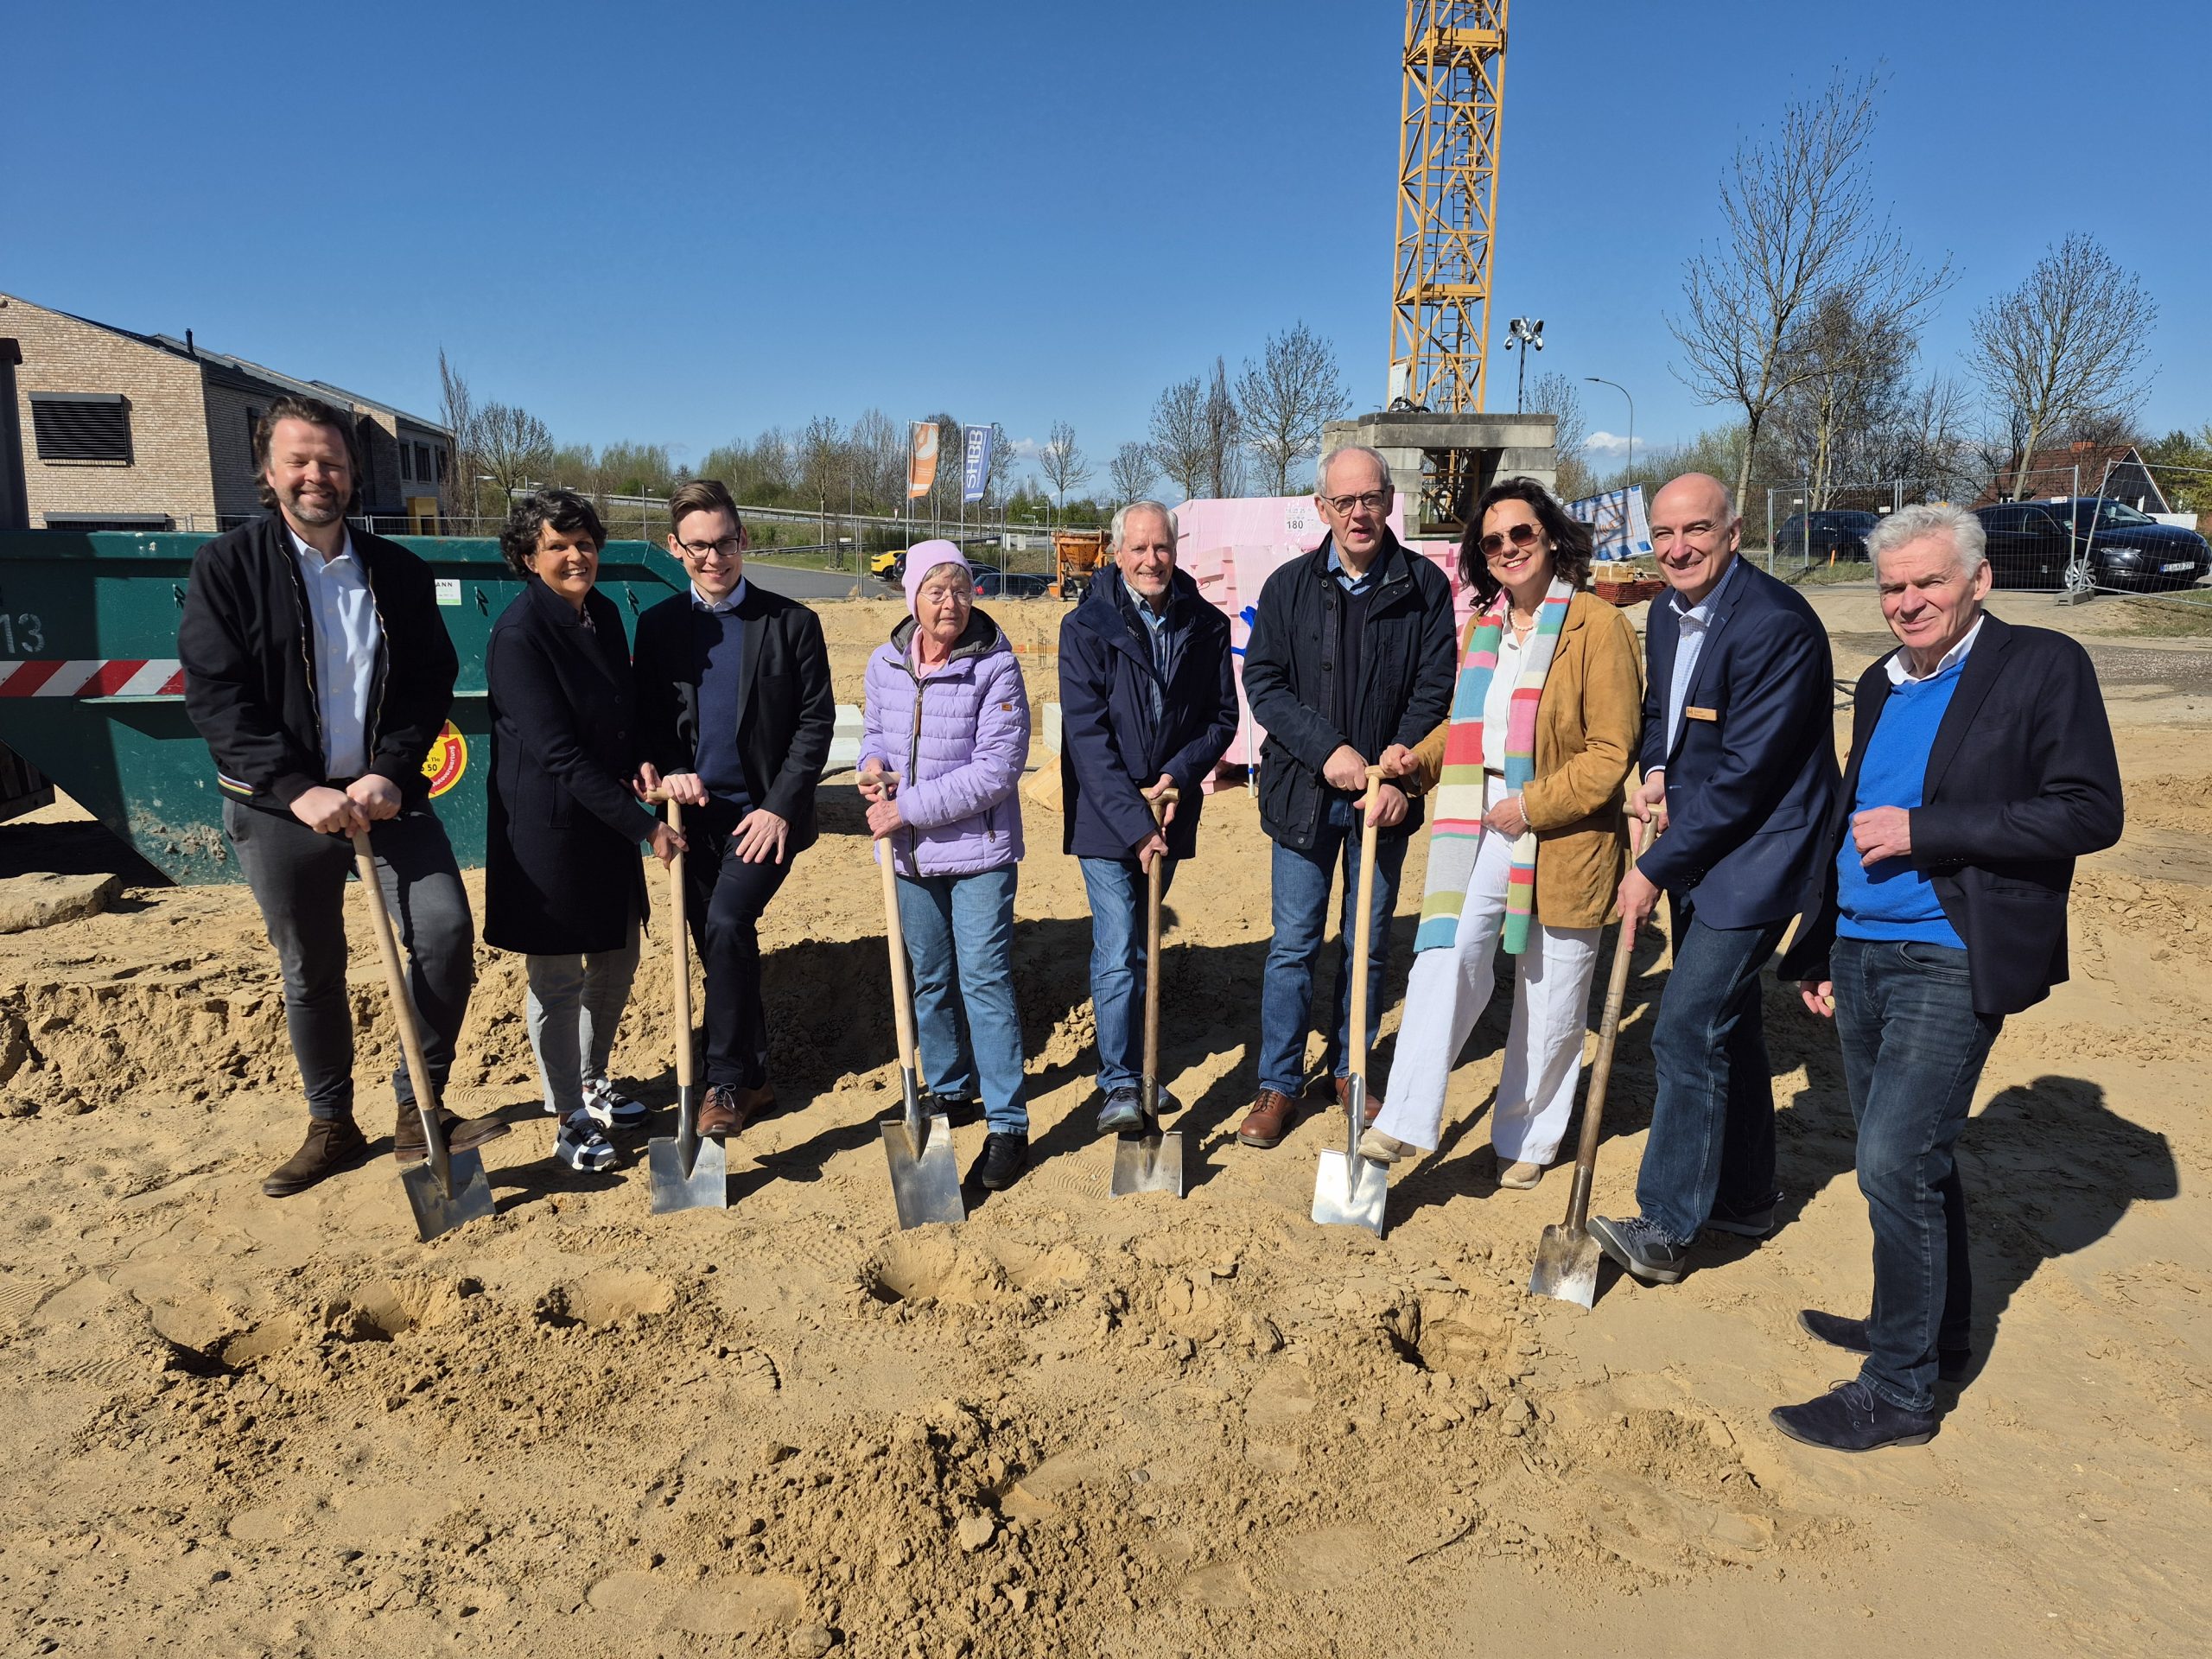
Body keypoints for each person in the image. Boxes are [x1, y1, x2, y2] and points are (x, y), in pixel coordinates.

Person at [1771, 504, 2121, 1451]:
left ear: (1978, 581)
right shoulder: (1882, 684)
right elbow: (1853, 812)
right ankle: (1925, 1331)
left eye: (1929, 582)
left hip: (1950, 950)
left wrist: (1929, 833)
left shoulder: (2042, 666)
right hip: (1863, 950)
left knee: (1890, 1162)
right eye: (1892, 586)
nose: (1908, 602)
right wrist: (1822, 943)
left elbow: (2088, 812)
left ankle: (1898, 1393)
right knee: (1915, 1159)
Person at [178, 394, 504, 1196]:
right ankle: (331, 1124)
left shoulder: (397, 571)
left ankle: (416, 1105)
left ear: (353, 475)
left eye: (331, 461)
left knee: (444, 932)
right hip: (277, 807)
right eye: (300, 461)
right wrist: (295, 790)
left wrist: (390, 769)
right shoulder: (227, 568)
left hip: (387, 797)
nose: (317, 475)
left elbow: (429, 681)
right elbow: (216, 697)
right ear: (268, 472)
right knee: (310, 966)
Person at [1587, 472, 1840, 1284]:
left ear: (1734, 533)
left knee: (1685, 1027)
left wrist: (1653, 870)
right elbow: (1668, 708)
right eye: (1663, 534)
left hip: (1761, 852)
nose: (1677, 548)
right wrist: (1656, 767)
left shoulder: (1776, 626)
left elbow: (1748, 776)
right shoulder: (1664, 610)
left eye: (1696, 530)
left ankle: (1665, 1225)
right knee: (1733, 1027)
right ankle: (1746, 1195)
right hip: (1702, 837)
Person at [1363, 478, 1642, 1185]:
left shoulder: (1597, 627)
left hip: (1565, 829)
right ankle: (1401, 1119)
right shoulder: (1483, 627)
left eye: (1521, 533)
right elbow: (1466, 729)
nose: (1509, 549)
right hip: (1478, 822)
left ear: (1549, 536)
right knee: (1445, 957)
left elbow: (1612, 753)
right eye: (1493, 542)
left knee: (1552, 988)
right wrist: (1412, 763)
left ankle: (1528, 1138)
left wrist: (1535, 805)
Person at [1236, 444, 1458, 1148]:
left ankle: (1350, 1068)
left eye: (1371, 498)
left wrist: (1397, 773)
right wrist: (1326, 749)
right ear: (1321, 508)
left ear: (1390, 501)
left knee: (1366, 948)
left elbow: (1434, 689)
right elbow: (1265, 683)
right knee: (1294, 945)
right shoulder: (1288, 588)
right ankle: (1277, 1083)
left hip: (1382, 802)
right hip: (1302, 792)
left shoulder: (1423, 586)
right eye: (1344, 501)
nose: (1359, 514)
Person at [484, 489, 685, 1173]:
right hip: (547, 833)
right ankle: (566, 1113)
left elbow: (618, 714)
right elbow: (559, 754)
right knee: (557, 979)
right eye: (558, 546)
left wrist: (639, 760)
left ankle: (595, 1080)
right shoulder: (519, 637)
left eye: (585, 544)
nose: (576, 557)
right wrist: (647, 828)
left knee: (618, 957)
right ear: (528, 556)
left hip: (601, 817)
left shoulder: (600, 612)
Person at [633, 479, 835, 1139]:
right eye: (697, 548)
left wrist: (779, 808)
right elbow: (650, 723)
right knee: (719, 944)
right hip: (691, 823)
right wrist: (668, 773)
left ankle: (721, 1082)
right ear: (675, 549)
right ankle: (756, 1077)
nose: (713, 559)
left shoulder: (791, 623)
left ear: (743, 539)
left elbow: (814, 725)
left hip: (763, 820)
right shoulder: (659, 627)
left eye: (724, 543)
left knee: (725, 922)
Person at [1058, 500, 1237, 1134]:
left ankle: (1142, 1067)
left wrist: (1179, 776)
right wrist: (1136, 824)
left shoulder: (1206, 626)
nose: (1150, 560)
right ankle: (1118, 1085)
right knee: (1116, 947)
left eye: (1160, 547)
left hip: (1169, 808)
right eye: (1137, 548)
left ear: (1175, 549)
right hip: (1108, 819)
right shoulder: (1085, 627)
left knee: (1140, 945)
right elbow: (1087, 737)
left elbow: (1223, 718)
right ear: (1115, 553)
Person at [858, 543, 1033, 1189]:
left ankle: (1009, 1125)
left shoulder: (997, 666)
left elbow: (997, 771)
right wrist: (869, 769)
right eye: (935, 589)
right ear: (911, 596)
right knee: (929, 978)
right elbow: (875, 735)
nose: (949, 602)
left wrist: (905, 808)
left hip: (979, 853)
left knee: (984, 982)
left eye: (960, 588)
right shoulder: (885, 662)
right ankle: (953, 1091)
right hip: (907, 858)